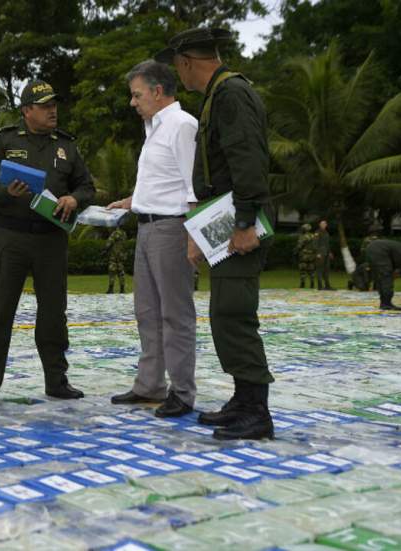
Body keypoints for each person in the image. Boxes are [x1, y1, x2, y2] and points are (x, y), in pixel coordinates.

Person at [158, 27, 274, 440]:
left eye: (178, 65)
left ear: (187, 62)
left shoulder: (230, 94)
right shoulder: (219, 95)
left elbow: (247, 160)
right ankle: (244, 399)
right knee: (225, 312)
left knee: (235, 313)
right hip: (225, 218)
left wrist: (244, 223)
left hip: (238, 220)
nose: (179, 73)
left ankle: (256, 411)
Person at [0, 78, 95, 408]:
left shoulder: (67, 146)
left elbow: (86, 187)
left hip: (51, 239)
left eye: (54, 105)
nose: (53, 111)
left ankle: (57, 381)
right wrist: (3, 192)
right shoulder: (4, 140)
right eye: (45, 106)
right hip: (9, 237)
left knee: (54, 315)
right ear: (27, 111)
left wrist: (73, 199)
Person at [106, 60, 198, 417]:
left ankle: (182, 391)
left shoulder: (181, 125)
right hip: (146, 227)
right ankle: (149, 386)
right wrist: (134, 201)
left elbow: (192, 186)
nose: (133, 102)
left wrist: (192, 235)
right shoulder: (154, 128)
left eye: (137, 94)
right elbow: (166, 181)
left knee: (176, 314)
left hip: (172, 230)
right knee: (147, 312)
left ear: (158, 92)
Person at [105, 226, 128, 294]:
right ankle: (122, 289)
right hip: (121, 255)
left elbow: (109, 243)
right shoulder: (124, 233)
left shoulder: (115, 233)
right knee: (121, 272)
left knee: (112, 272)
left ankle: (111, 289)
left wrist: (105, 250)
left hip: (114, 255)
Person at [294, 223, 317, 289]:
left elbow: (299, 246)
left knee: (302, 269)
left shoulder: (303, 236)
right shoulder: (313, 236)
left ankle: (302, 283)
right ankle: (312, 283)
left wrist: (295, 252)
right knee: (311, 269)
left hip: (304, 255)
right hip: (312, 256)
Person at [314, 219, 334, 290]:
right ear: (320, 225)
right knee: (319, 269)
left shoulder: (326, 233)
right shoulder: (317, 232)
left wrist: (330, 252)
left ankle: (327, 285)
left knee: (327, 269)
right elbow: (315, 243)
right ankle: (320, 286)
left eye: (325, 224)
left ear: (326, 225)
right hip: (320, 254)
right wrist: (317, 253)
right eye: (322, 224)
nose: (324, 225)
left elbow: (327, 244)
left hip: (326, 254)